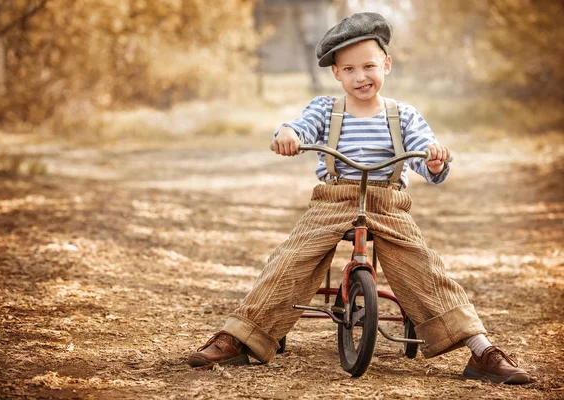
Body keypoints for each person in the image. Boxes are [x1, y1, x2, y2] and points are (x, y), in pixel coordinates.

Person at [187, 12, 531, 384]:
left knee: (423, 267)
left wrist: (432, 158)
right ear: (337, 73)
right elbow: (297, 127)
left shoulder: (403, 116)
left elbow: (425, 157)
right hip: (333, 199)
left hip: (387, 201)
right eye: (349, 69)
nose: (361, 76)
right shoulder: (325, 109)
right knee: (291, 259)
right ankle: (238, 337)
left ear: (386, 63)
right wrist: (286, 133)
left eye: (369, 66)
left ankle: (481, 349)